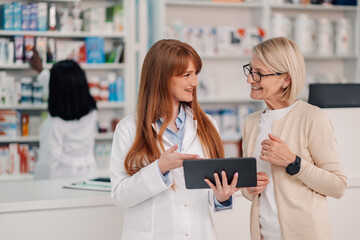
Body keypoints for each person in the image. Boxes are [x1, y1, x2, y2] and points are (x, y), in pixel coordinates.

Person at [110, 39, 269, 239]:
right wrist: (160, 168)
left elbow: (211, 191)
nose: (195, 82)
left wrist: (221, 196)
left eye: (195, 74)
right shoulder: (128, 129)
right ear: (162, 78)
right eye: (187, 75)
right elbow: (119, 195)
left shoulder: (207, 124)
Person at [241, 37, 347, 240]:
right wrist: (250, 187)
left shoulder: (313, 118)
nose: (250, 79)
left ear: (285, 79)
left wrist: (293, 162)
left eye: (259, 74)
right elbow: (249, 192)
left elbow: (338, 186)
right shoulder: (250, 123)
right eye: (250, 70)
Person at [31, 52, 98, 179]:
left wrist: (37, 181)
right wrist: (41, 71)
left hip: (61, 178)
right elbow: (68, 87)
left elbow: (47, 161)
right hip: (89, 174)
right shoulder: (92, 113)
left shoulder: (54, 124)